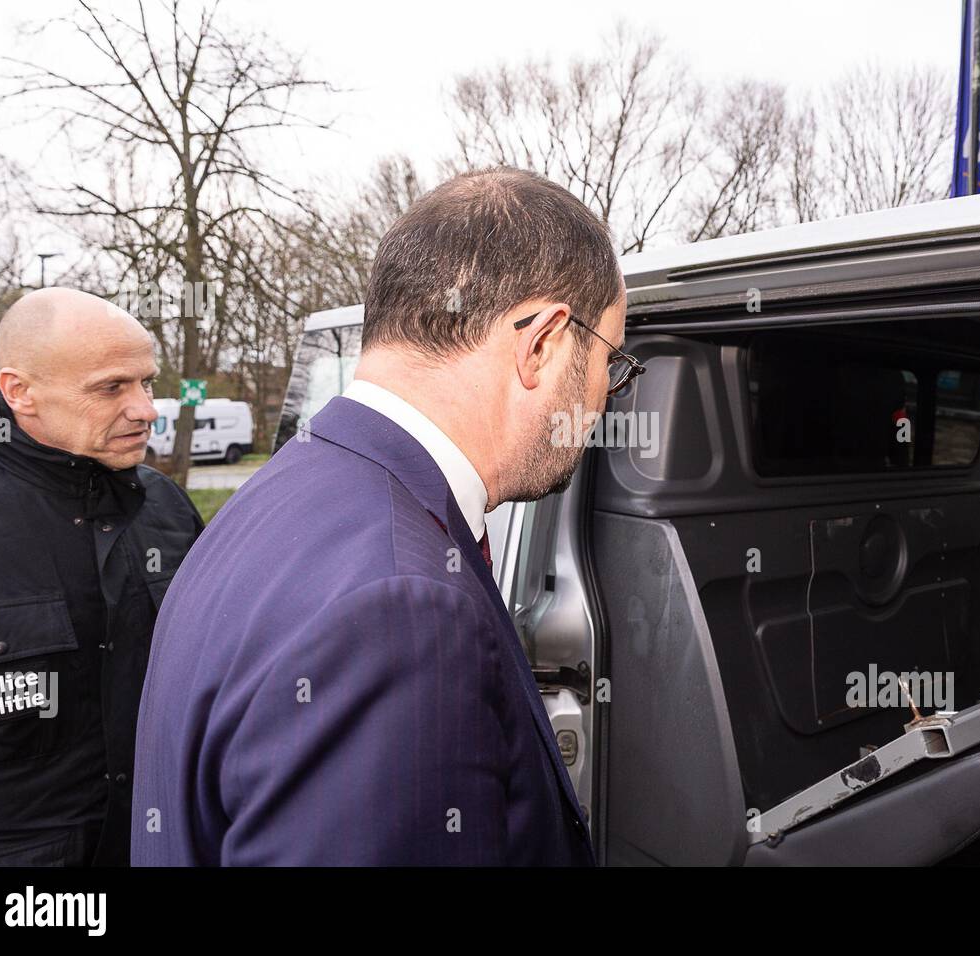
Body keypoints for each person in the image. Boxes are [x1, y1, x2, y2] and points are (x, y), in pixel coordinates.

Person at [131, 167, 635, 866]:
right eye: (612, 359)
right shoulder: (405, 610)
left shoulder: (278, 492)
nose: (606, 394)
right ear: (544, 343)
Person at [0, 288, 203, 866]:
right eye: (111, 387)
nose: (145, 409)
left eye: (147, 382)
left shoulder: (164, 509)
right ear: (21, 392)